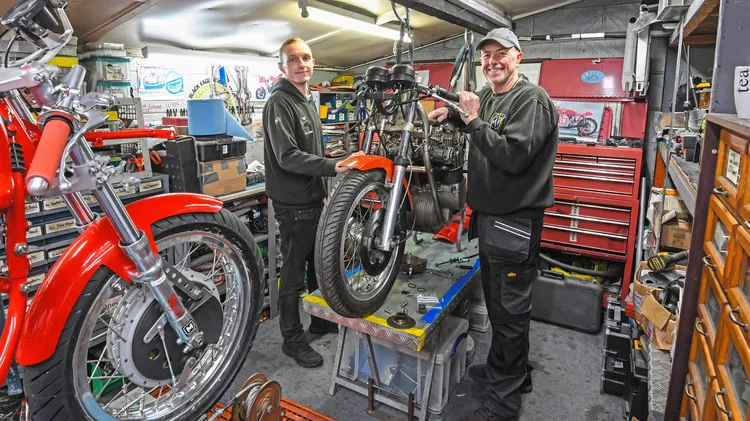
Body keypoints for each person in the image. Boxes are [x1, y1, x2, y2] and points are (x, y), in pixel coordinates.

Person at [429, 27, 559, 421]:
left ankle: (504, 403)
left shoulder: (531, 100)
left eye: (501, 53)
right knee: (501, 306)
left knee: (509, 312)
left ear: (518, 56)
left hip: (514, 221)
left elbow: (513, 157)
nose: (492, 61)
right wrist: (454, 115)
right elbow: (479, 121)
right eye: (486, 55)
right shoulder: (490, 95)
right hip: (491, 218)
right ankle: (512, 372)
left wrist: (469, 119)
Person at [263, 37, 364, 368]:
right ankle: (292, 340)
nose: (301, 64)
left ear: (313, 62)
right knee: (292, 277)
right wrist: (333, 166)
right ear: (282, 66)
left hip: (313, 200)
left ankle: (320, 320)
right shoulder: (280, 103)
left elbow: (313, 151)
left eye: (305, 57)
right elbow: (287, 156)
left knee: (316, 268)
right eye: (293, 59)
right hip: (293, 207)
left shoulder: (306, 100)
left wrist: (337, 165)